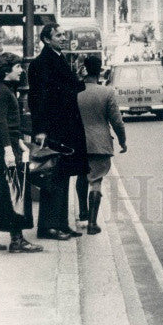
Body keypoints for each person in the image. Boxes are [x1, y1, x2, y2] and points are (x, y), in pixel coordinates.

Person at [27, 24, 89, 241]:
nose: (63, 38)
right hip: (53, 128)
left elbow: (72, 88)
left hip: (66, 127)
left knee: (63, 176)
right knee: (51, 176)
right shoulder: (41, 63)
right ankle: (47, 227)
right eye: (59, 35)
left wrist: (79, 79)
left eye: (63, 34)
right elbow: (38, 99)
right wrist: (40, 130)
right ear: (46, 39)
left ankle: (61, 223)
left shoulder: (59, 58)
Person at [0, 53, 42, 253]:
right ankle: (17, 240)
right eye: (18, 67)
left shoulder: (3, 90)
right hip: (5, 145)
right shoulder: (2, 92)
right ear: (6, 71)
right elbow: (1, 123)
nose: (21, 70)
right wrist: (8, 150)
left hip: (10, 143)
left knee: (5, 190)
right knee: (16, 191)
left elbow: (8, 122)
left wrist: (19, 141)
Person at [76, 54, 127, 235]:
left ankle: (82, 213)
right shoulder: (107, 92)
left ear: (85, 69)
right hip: (100, 143)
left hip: (78, 143)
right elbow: (117, 122)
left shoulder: (75, 91)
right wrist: (123, 141)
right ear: (100, 71)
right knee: (95, 181)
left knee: (81, 177)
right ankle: (92, 223)